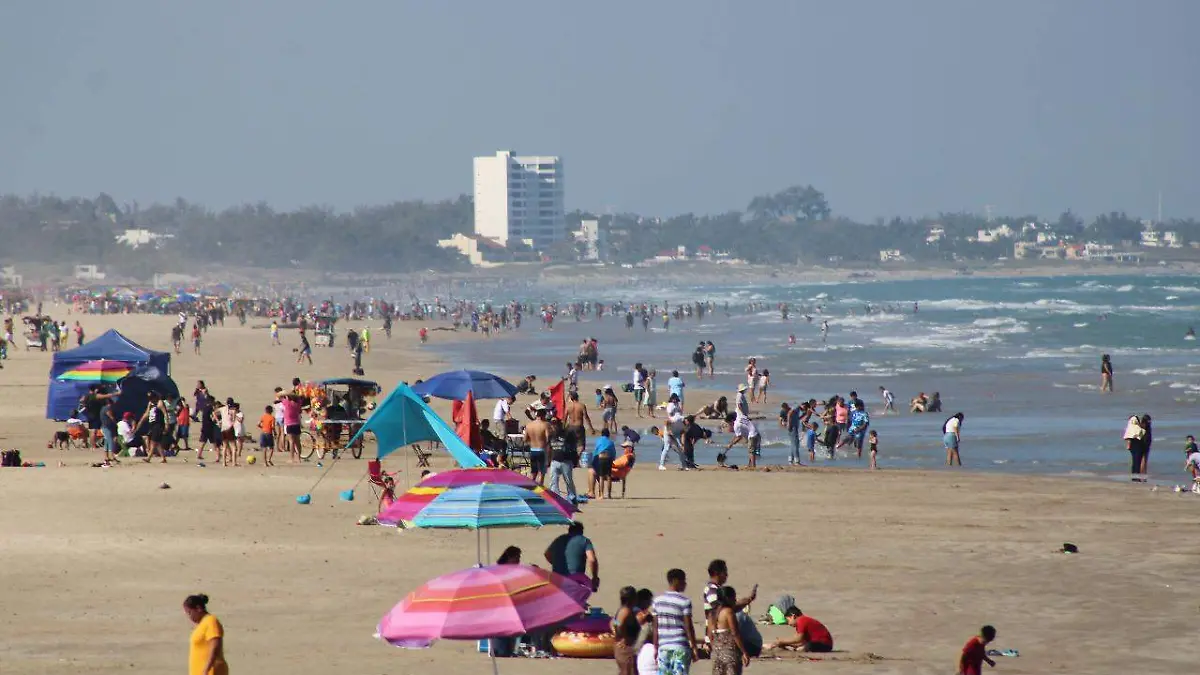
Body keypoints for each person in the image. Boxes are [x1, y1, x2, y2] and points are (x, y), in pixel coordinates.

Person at [652, 568, 699, 675]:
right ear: (677, 581)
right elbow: (688, 626)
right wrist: (694, 646)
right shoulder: (684, 601)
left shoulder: (657, 601)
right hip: (680, 646)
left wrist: (655, 646)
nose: (685, 584)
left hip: (663, 646)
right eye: (684, 581)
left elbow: (655, 627)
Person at [544, 522, 599, 600]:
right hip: (575, 579)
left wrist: (557, 563)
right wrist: (595, 577)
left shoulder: (559, 539)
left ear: (569, 530)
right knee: (581, 596)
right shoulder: (584, 540)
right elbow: (592, 560)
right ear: (581, 531)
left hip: (557, 579)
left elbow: (547, 554)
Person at [702, 560, 757, 637]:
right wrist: (745, 601)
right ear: (717, 573)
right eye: (724, 572)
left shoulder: (717, 589)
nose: (727, 575)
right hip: (715, 636)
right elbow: (721, 610)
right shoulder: (712, 590)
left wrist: (747, 600)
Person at [709, 586, 751, 674]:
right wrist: (744, 652)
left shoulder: (712, 613)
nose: (735, 600)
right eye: (734, 597)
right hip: (730, 653)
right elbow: (735, 633)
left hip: (716, 653)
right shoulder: (728, 612)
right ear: (728, 598)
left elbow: (710, 635)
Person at [183, 594, 229, 675]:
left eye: (190, 612)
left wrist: (206, 669)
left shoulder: (211, 621)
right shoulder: (202, 625)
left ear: (198, 608)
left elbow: (215, 647)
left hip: (211, 671)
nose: (189, 616)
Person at [766, 607, 833, 653]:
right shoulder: (802, 622)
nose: (788, 623)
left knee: (802, 648)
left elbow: (798, 639)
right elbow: (799, 640)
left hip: (823, 644)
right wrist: (785, 643)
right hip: (824, 644)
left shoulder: (802, 620)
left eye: (788, 620)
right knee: (800, 646)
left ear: (793, 616)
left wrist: (781, 641)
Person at [613, 586, 641, 675]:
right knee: (628, 671)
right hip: (626, 648)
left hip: (621, 648)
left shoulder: (622, 610)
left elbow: (614, 622)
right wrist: (623, 637)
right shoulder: (626, 611)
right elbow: (619, 624)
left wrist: (616, 633)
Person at [548, 423, 578, 503]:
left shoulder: (567, 434)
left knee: (568, 480)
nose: (553, 426)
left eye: (555, 423)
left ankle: (572, 497)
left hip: (566, 461)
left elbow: (574, 447)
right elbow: (549, 448)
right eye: (552, 423)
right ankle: (555, 497)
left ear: (559, 425)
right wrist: (548, 460)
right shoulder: (551, 435)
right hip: (554, 461)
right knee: (553, 480)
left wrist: (575, 460)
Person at [523, 408, 551, 486]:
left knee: (533, 473)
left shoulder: (529, 425)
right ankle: (540, 491)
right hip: (542, 450)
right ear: (543, 416)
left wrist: (532, 440)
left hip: (533, 450)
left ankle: (531, 490)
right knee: (541, 473)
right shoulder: (545, 425)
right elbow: (548, 438)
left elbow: (525, 439)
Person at [594, 428, 617, 499]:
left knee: (601, 477)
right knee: (609, 476)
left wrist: (594, 460)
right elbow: (613, 452)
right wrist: (613, 459)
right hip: (608, 458)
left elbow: (596, 451)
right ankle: (609, 495)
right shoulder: (611, 442)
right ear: (608, 434)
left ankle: (601, 495)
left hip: (601, 458)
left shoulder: (598, 440)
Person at [1123, 414, 1147, 481]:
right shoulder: (1137, 428)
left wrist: (1128, 445)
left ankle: (1134, 476)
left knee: (1135, 461)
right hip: (1137, 445)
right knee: (1137, 461)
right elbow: (1141, 435)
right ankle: (1136, 477)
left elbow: (1128, 438)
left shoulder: (1130, 428)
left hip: (1134, 446)